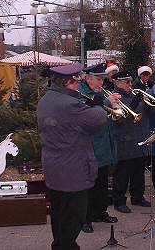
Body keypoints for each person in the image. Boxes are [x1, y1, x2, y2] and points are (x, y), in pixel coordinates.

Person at [37, 63, 108, 250]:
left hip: (54, 168)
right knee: (74, 216)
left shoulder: (46, 99)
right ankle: (65, 246)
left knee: (59, 213)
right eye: (75, 81)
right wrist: (99, 105)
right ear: (67, 83)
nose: (78, 85)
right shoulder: (69, 104)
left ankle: (59, 244)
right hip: (73, 171)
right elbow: (98, 119)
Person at [78, 63, 120, 233]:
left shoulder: (101, 92)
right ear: (88, 78)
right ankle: (85, 219)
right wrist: (105, 102)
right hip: (90, 146)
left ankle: (100, 212)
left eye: (102, 79)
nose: (101, 83)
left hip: (104, 144)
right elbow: (85, 114)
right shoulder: (81, 93)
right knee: (89, 185)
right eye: (97, 79)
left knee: (102, 183)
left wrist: (116, 108)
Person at [110, 70, 151, 213]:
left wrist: (150, 102)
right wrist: (134, 103)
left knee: (138, 172)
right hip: (124, 140)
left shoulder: (134, 94)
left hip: (139, 137)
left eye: (130, 81)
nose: (130, 84)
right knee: (122, 174)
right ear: (117, 83)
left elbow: (146, 113)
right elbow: (120, 117)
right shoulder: (114, 97)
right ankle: (119, 201)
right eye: (126, 82)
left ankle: (138, 197)